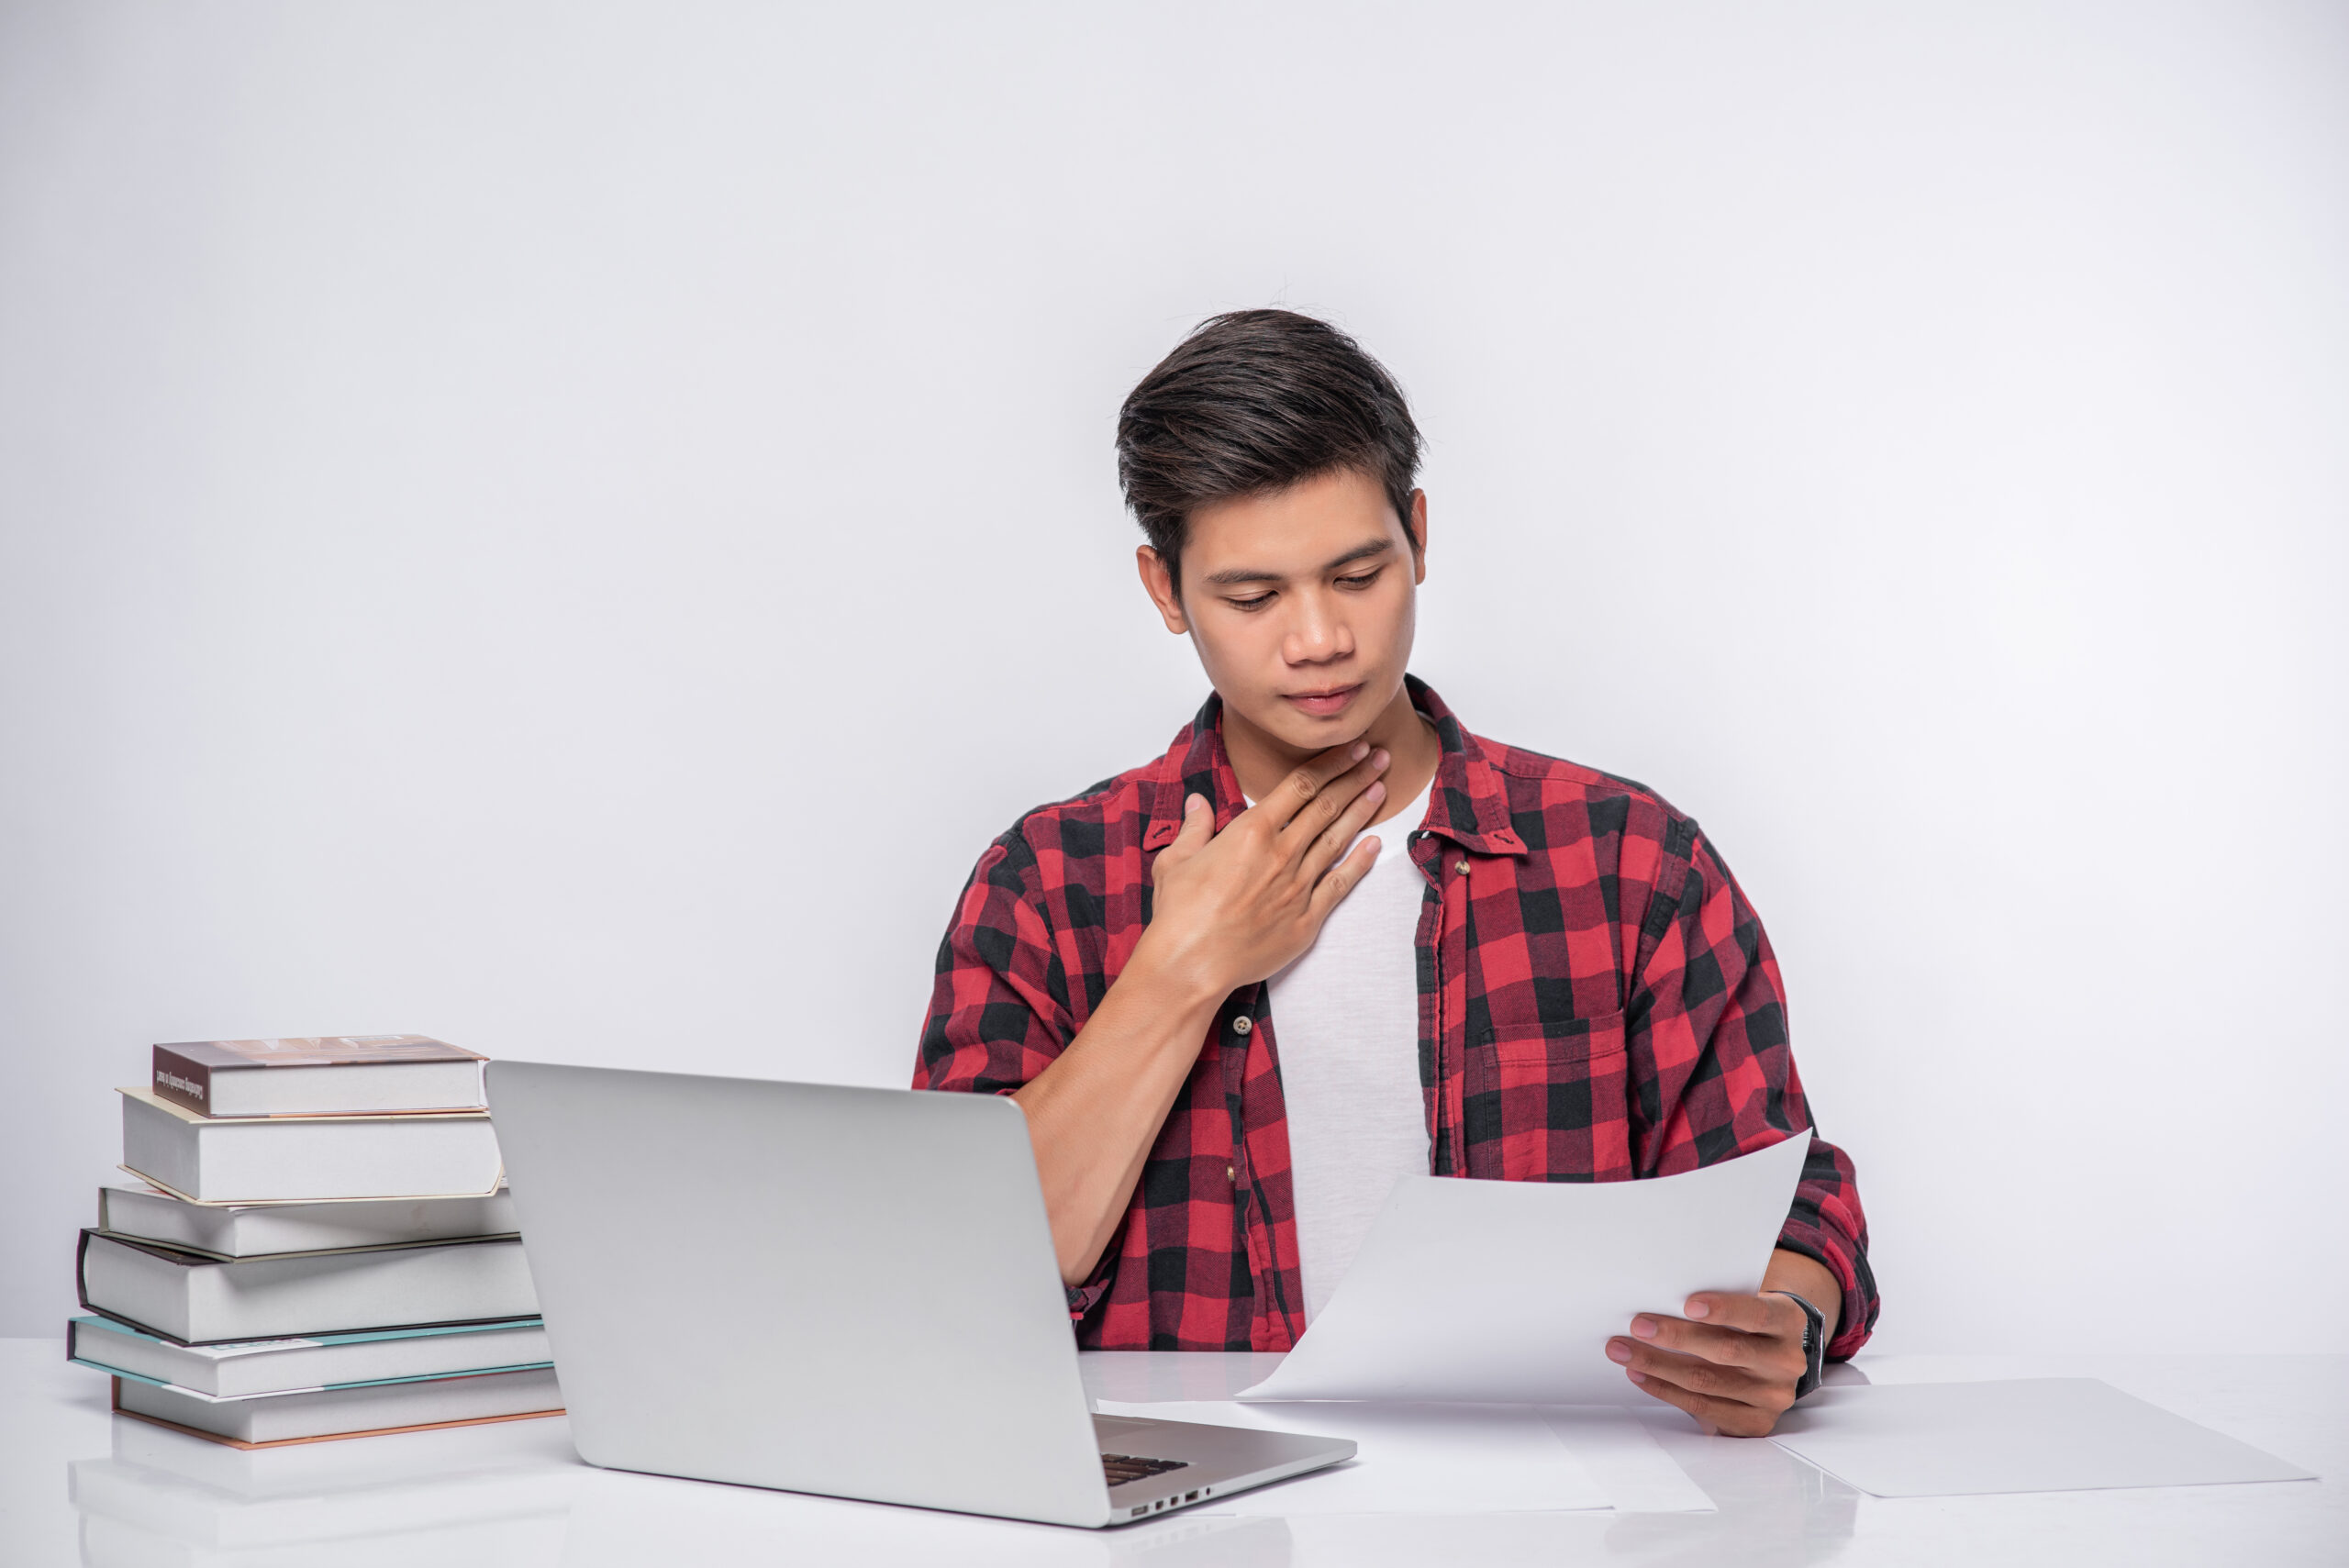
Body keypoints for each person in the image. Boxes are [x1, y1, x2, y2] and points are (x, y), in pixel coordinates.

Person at [915, 309, 1876, 1437]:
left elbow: (1793, 1201)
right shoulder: (1050, 883)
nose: (1319, 638)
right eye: (1252, 596)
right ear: (1165, 591)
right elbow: (963, 1275)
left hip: (1552, 1508)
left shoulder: (1625, 860)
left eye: (1357, 573)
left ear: (1417, 535)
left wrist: (1785, 1329)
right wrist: (1181, 968)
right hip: (1190, 1516)